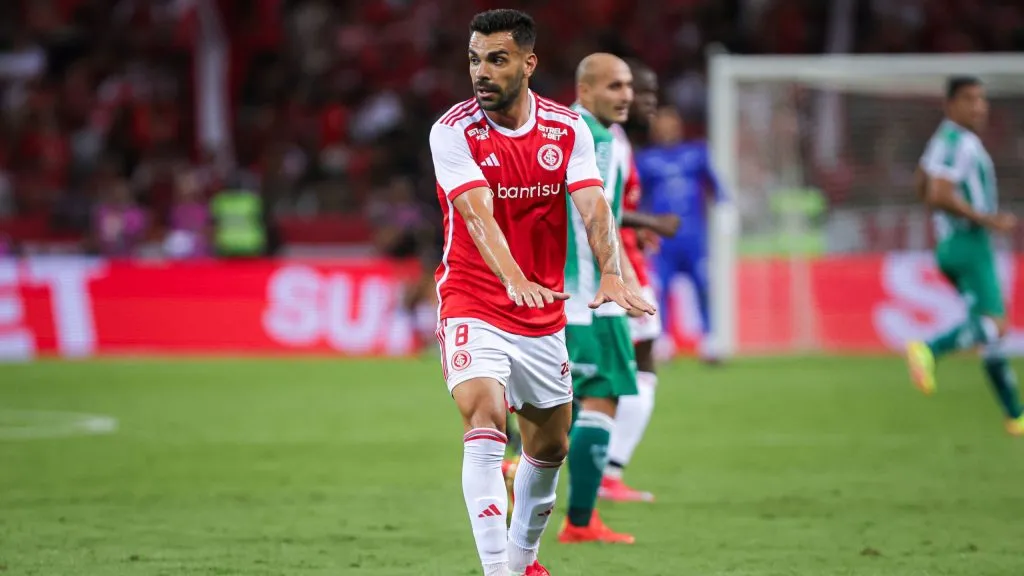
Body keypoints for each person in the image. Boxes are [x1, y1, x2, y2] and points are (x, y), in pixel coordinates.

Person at [428, 10, 653, 576]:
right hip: (474, 298)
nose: (481, 72)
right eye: (475, 59)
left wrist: (610, 271)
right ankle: (498, 570)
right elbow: (477, 215)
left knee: (549, 448)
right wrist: (510, 277)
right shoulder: (453, 130)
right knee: (483, 415)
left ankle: (525, 559)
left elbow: (593, 204)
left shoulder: (565, 129)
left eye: (496, 59)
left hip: (542, 312)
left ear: (528, 63)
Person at [557, 52, 648, 546]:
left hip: (557, 295)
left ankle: (514, 469)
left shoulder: (557, 130)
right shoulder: (598, 138)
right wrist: (623, 279)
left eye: (628, 86)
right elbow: (599, 215)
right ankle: (581, 521)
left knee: (562, 405)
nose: (626, 95)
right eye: (614, 86)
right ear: (585, 89)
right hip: (592, 295)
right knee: (601, 397)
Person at [905, 76, 1024, 436]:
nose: (979, 107)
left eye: (982, 99)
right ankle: (928, 348)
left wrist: (942, 214)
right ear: (951, 104)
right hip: (970, 243)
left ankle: (1015, 415)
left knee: (989, 335)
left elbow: (922, 186)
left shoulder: (942, 139)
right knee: (995, 324)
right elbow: (939, 193)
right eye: (970, 99)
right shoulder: (963, 143)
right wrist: (986, 219)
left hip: (949, 244)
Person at [600, 60, 679, 503]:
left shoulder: (619, 139)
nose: (643, 102)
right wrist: (648, 220)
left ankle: (608, 470)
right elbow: (596, 206)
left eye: (646, 93)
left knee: (628, 365)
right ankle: (606, 474)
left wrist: (638, 227)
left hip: (623, 259)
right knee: (622, 367)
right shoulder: (605, 140)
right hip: (610, 268)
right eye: (636, 92)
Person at [634, 106, 727, 361]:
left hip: (694, 237)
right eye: (661, 125)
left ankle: (711, 340)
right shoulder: (646, 159)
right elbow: (637, 197)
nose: (666, 130)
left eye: (670, 124)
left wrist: (725, 211)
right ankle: (664, 340)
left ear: (679, 126)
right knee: (660, 287)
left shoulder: (696, 153)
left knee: (704, 285)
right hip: (662, 240)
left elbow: (717, 186)